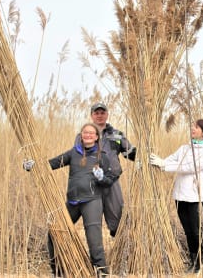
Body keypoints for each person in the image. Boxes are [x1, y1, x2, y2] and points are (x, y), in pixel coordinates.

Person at [23, 123, 113, 277]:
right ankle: (58, 270)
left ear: (97, 137)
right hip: (73, 202)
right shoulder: (74, 152)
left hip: (92, 202)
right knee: (54, 232)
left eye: (92, 133)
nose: (88, 135)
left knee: (94, 241)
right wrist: (32, 165)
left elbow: (109, 181)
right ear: (81, 135)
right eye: (85, 132)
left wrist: (101, 177)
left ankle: (102, 274)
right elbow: (51, 164)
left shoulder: (102, 156)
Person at [149, 119, 203, 273]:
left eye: (196, 127)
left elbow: (191, 167)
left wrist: (164, 166)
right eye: (192, 126)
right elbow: (171, 159)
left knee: (196, 230)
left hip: (196, 198)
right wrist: (158, 161)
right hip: (180, 196)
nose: (193, 128)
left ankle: (201, 263)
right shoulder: (185, 148)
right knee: (188, 231)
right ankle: (193, 262)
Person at [82, 102, 137, 238]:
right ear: (92, 116)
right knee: (92, 221)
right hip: (92, 183)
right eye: (96, 113)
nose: (99, 116)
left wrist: (142, 156)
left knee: (117, 219)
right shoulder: (85, 134)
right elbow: (77, 156)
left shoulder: (117, 134)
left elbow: (129, 153)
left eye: (102, 113)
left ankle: (119, 251)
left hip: (112, 182)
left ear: (107, 115)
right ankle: (97, 253)